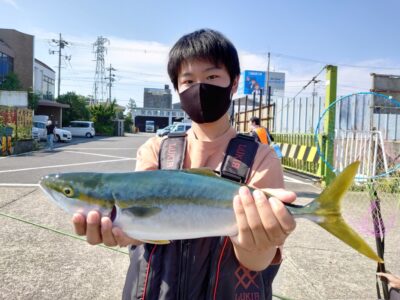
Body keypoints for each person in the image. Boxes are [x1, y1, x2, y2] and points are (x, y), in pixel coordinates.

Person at [72, 29, 296, 300]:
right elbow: (140, 229)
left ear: (234, 83)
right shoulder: (156, 149)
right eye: (188, 80)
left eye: (212, 76)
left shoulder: (260, 158)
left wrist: (254, 242)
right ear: (177, 88)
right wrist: (122, 232)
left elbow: (259, 261)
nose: (199, 88)